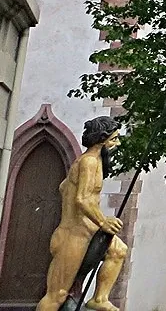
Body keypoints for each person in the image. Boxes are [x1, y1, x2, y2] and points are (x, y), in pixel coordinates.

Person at [36, 116, 127, 311]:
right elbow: (82, 199)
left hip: (88, 230)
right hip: (72, 236)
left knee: (118, 251)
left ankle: (99, 299)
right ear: (101, 139)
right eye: (113, 139)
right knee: (57, 295)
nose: (117, 143)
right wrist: (103, 221)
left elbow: (64, 187)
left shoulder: (97, 161)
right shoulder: (88, 162)